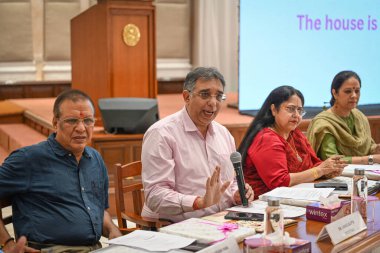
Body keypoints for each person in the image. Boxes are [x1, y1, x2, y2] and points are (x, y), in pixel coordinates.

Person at [0, 89, 121, 253]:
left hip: (95, 248)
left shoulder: (95, 159)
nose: (81, 128)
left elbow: (99, 210)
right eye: (71, 121)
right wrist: (7, 243)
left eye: (88, 120)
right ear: (55, 123)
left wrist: (113, 230)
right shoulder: (28, 159)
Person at [141, 67, 254, 223]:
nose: (213, 103)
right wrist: (198, 203)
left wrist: (237, 194)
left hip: (224, 220)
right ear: (187, 97)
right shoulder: (161, 134)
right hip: (179, 225)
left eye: (219, 96)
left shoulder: (224, 134)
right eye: (205, 94)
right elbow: (155, 195)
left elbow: (232, 181)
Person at [238, 86, 346, 198]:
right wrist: (320, 171)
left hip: (296, 197)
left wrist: (329, 171)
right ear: (274, 110)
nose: (296, 115)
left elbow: (313, 165)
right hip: (265, 204)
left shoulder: (295, 134)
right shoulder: (266, 139)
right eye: (290, 109)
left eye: (299, 110)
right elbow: (280, 182)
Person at [307, 70, 380, 164]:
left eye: (357, 91)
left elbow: (368, 147)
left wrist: (377, 149)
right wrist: (370, 159)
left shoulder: (360, 117)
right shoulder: (324, 123)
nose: (354, 96)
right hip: (335, 177)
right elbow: (332, 159)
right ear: (335, 93)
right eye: (348, 91)